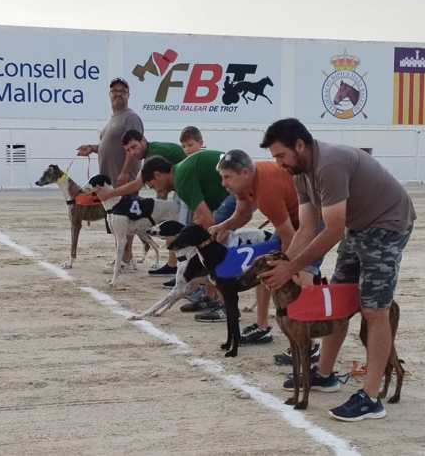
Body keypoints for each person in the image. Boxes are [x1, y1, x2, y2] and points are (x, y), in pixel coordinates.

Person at [257, 118, 416, 423]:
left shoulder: (329, 165)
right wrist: (283, 266)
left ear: (300, 146)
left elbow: (331, 231)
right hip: (359, 226)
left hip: (387, 225)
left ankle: (371, 399)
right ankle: (324, 374)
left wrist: (294, 265)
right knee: (338, 301)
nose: (278, 164)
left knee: (374, 308)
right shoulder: (299, 172)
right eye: (275, 158)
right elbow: (307, 228)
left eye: (281, 156)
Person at [210, 149, 325, 347]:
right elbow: (243, 214)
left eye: (227, 177)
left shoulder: (266, 191)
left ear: (244, 172)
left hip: (317, 218)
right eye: (222, 177)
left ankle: (309, 343)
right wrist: (224, 226)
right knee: (264, 267)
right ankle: (262, 328)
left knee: (302, 276)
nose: (223, 183)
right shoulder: (244, 183)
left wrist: (288, 267)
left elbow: (289, 237)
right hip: (292, 219)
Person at [141, 151, 240, 322]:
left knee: (212, 244)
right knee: (208, 240)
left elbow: (208, 221)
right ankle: (210, 298)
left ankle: (226, 306)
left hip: (238, 189)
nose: (155, 191)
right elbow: (202, 211)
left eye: (152, 185)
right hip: (230, 187)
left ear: (159, 175)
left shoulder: (181, 179)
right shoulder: (181, 172)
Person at [94, 129, 187, 279]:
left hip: (188, 187)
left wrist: (109, 194)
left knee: (181, 230)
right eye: (128, 150)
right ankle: (173, 266)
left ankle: (183, 269)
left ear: (143, 140)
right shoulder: (150, 154)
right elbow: (146, 186)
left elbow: (138, 185)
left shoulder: (153, 155)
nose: (132, 152)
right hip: (181, 188)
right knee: (174, 230)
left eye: (134, 147)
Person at [76, 77, 143, 264]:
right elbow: (109, 146)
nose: (118, 94)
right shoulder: (112, 119)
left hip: (123, 179)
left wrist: (124, 172)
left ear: (128, 95)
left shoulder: (131, 118)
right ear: (109, 94)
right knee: (116, 221)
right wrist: (92, 147)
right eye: (114, 90)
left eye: (122, 90)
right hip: (110, 181)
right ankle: (122, 258)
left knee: (124, 221)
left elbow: (134, 146)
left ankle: (126, 260)